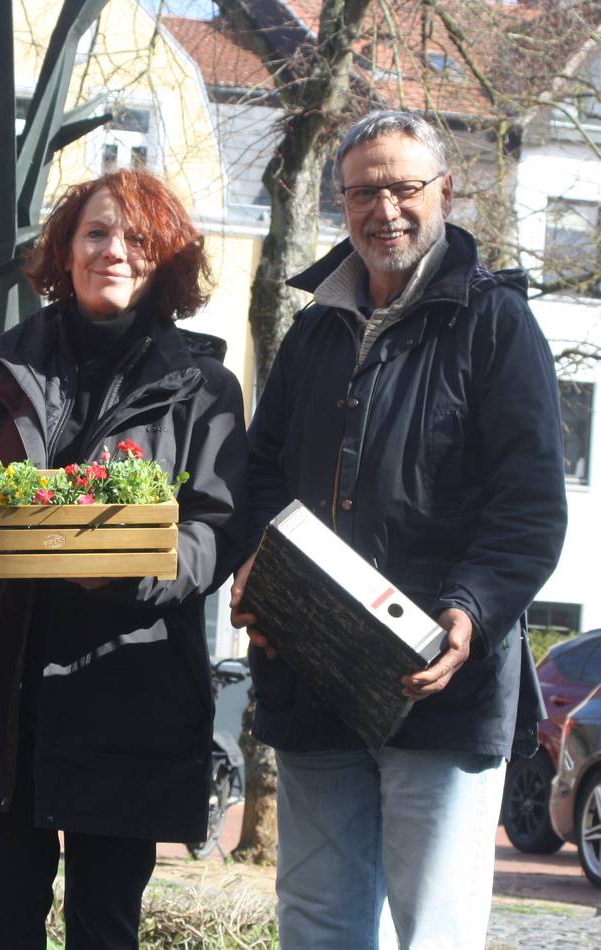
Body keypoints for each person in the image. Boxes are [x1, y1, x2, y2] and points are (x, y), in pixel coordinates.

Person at [230, 110, 567, 949]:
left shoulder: (497, 326)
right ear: (339, 206)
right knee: (317, 927)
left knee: (434, 933)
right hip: (314, 678)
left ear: (444, 192)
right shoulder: (312, 331)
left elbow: (528, 505)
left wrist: (470, 610)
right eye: (363, 191)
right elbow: (260, 474)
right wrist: (256, 568)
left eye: (403, 187)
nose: (385, 208)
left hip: (442, 688)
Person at [0, 168, 248, 949]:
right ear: (64, 250)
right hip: (9, 685)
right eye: (95, 233)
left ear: (166, 257)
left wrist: (134, 567)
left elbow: (216, 527)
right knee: (0, 919)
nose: (113, 251)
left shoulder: (203, 387)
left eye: (137, 238)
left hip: (128, 686)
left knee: (105, 924)